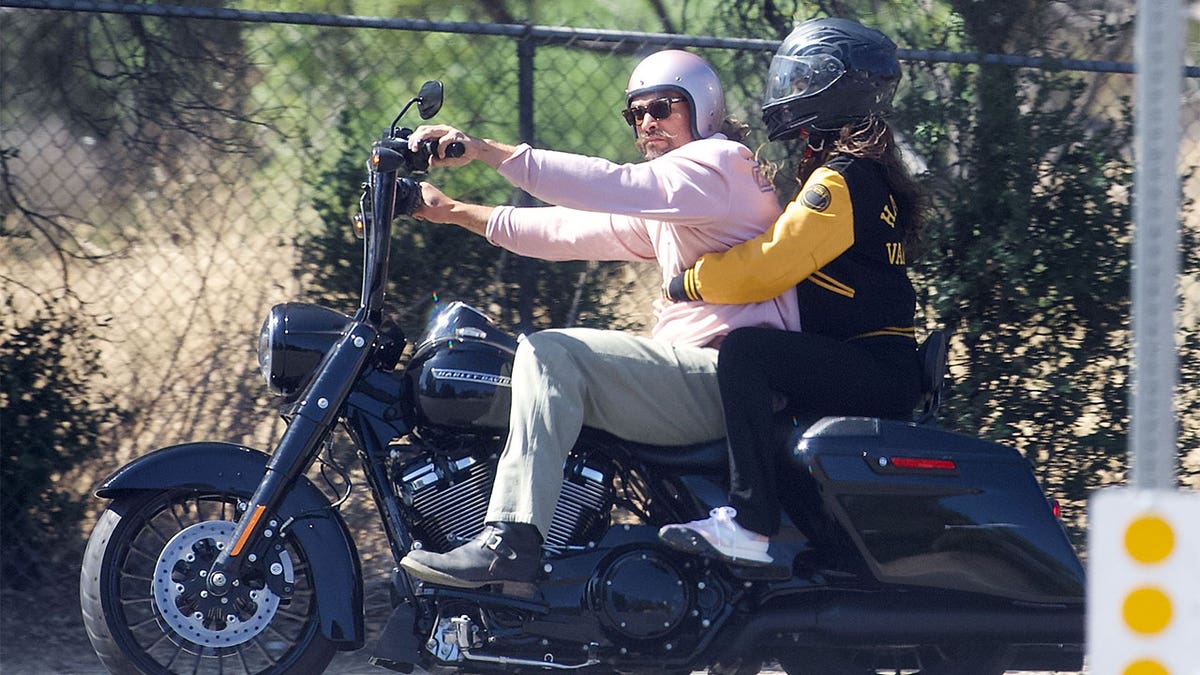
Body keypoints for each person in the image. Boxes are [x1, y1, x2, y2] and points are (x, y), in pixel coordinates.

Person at [396, 49, 801, 589]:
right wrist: (455, 213)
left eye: (663, 108)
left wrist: (484, 151)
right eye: (636, 114)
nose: (648, 123)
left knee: (551, 355)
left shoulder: (719, 165)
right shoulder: (684, 200)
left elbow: (609, 184)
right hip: (708, 379)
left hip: (727, 381)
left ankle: (512, 541)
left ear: (702, 110)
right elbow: (571, 230)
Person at [656, 18, 927, 567]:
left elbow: (771, 266)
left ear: (839, 91)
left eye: (807, 80)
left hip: (874, 364)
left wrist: (691, 281)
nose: (790, 93)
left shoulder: (840, 181)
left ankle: (750, 524)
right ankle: (825, 561)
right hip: (877, 362)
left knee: (748, 352)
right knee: (772, 431)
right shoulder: (860, 172)